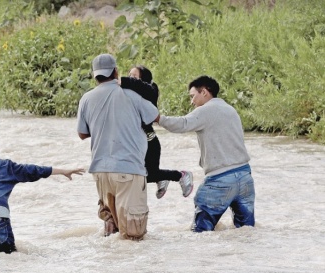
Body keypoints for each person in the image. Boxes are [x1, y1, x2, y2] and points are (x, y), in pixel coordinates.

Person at [155, 75, 255, 232]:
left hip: (220, 179)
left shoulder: (205, 110)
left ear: (205, 92)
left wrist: (158, 119)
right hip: (245, 177)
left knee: (200, 233)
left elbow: (182, 124)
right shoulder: (231, 109)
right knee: (246, 230)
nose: (192, 101)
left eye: (193, 96)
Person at [76, 53, 159, 240]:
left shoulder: (86, 99)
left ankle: (111, 269)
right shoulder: (131, 95)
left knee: (111, 229)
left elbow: (82, 133)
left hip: (100, 172)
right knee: (133, 237)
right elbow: (154, 116)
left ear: (95, 75)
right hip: (128, 170)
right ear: (115, 71)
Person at [119, 65, 193, 199]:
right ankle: (162, 178)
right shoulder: (129, 94)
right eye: (129, 75)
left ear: (144, 79)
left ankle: (181, 175)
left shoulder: (150, 91)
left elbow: (141, 86)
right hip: (139, 142)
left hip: (150, 143)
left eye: (134, 76)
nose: (130, 79)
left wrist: (121, 80)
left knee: (143, 176)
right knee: (135, 176)